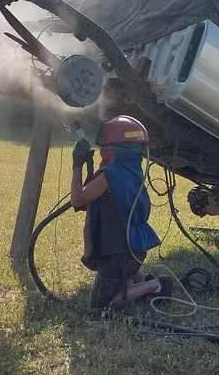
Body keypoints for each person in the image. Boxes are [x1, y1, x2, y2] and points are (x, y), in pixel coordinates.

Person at [69, 115, 172, 309]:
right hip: (134, 249)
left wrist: (77, 166)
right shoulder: (132, 169)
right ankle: (141, 278)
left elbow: (78, 200)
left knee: (102, 304)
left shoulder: (109, 176)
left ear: (113, 148)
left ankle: (155, 285)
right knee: (122, 274)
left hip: (118, 255)